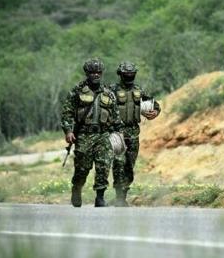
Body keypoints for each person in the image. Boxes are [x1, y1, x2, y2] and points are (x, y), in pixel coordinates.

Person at [61, 58, 122, 207]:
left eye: (98, 72)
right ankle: (77, 189)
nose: (95, 75)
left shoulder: (109, 93)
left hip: (103, 135)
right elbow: (67, 113)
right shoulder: (77, 91)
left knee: (103, 166)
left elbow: (115, 116)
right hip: (84, 135)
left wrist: (119, 135)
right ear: (87, 73)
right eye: (92, 72)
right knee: (82, 168)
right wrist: (68, 131)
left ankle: (100, 197)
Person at [110, 61, 160, 206]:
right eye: (127, 74)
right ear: (121, 74)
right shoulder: (111, 90)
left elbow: (154, 104)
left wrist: (155, 112)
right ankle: (119, 197)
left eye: (132, 74)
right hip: (117, 134)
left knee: (129, 166)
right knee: (118, 165)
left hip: (133, 135)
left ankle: (122, 197)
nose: (129, 77)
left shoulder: (138, 90)